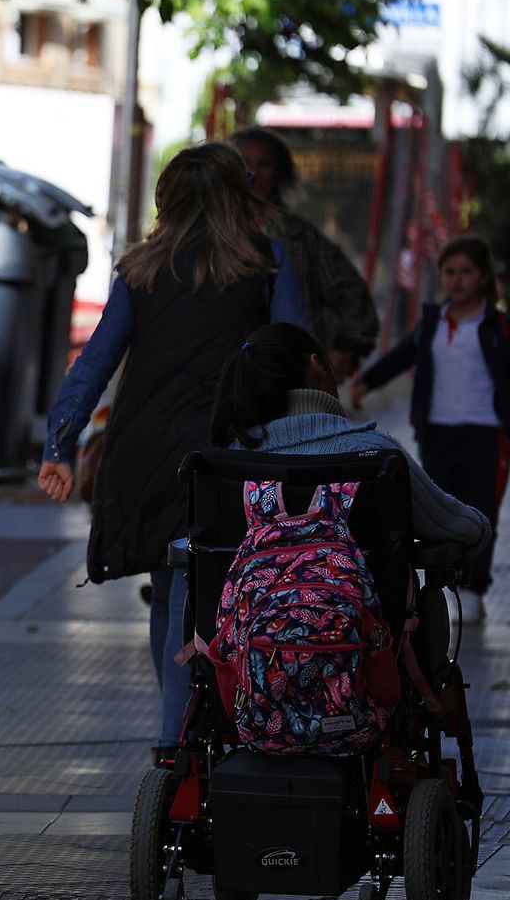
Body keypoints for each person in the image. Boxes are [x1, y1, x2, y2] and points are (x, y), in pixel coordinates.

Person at [37, 142, 306, 763]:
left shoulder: (140, 272)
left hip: (146, 453)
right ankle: (181, 745)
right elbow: (296, 358)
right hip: (236, 456)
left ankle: (181, 742)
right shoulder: (267, 266)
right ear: (238, 198)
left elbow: (94, 365)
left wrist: (60, 444)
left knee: (171, 588)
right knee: (220, 590)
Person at [211, 321, 490, 554]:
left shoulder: (227, 464)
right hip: (365, 618)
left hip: (249, 618)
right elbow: (455, 525)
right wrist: (482, 529)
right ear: (317, 364)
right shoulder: (376, 455)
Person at [351, 235, 510, 622]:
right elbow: (402, 355)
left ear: (483, 277)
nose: (457, 280)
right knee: (440, 511)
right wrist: (366, 381)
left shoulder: (498, 326)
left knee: (481, 510)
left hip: (487, 433)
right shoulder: (432, 323)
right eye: (450, 272)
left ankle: (474, 588)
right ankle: (443, 586)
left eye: (467, 272)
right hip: (437, 432)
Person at [233, 126, 379, 381]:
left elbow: (352, 293)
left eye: (264, 165)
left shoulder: (298, 236)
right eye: (244, 163)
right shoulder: (206, 232)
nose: (253, 173)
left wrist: (346, 350)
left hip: (284, 373)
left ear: (278, 175)